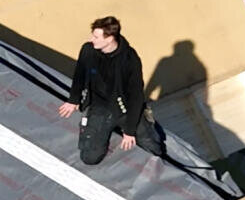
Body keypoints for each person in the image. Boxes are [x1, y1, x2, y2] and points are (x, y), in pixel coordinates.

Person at [59, 15, 167, 166]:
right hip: (99, 108)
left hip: (124, 109)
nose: (92, 39)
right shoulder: (88, 50)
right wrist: (73, 100)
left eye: (96, 36)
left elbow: (136, 96)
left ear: (109, 39)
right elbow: (79, 75)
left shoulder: (129, 59)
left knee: (153, 149)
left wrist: (129, 131)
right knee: (89, 158)